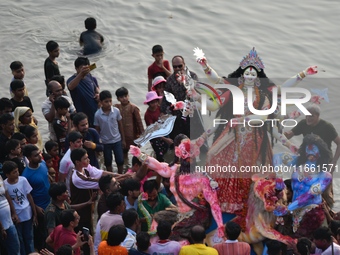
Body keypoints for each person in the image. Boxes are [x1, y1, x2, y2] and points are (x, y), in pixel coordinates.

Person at [194, 47, 318, 225]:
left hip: (254, 138)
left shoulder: (264, 97)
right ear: (242, 74)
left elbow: (280, 92)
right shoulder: (233, 89)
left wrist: (303, 74)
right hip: (233, 133)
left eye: (254, 73)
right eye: (247, 72)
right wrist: (205, 66)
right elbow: (217, 82)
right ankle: (222, 200)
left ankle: (245, 204)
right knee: (214, 156)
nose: (250, 75)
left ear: (258, 76)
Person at [130, 134, 224, 239]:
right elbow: (158, 166)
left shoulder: (202, 177)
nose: (188, 160)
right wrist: (140, 154)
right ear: (179, 155)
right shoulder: (174, 170)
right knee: (157, 218)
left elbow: (213, 202)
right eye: (186, 158)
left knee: (176, 234)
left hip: (197, 215)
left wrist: (220, 225)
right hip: (180, 212)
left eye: (190, 158)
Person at [160, 55, 205, 141]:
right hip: (178, 117)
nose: (177, 68)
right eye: (175, 67)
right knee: (181, 143)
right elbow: (165, 102)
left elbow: (200, 94)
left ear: (184, 64)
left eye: (180, 66)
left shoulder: (193, 76)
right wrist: (169, 114)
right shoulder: (170, 81)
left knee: (198, 140)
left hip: (193, 115)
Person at [3, 161, 37, 255]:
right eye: (14, 172)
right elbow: (9, 201)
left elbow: (29, 196)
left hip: (27, 214)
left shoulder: (23, 180)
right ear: (7, 174)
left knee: (29, 237)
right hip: (17, 216)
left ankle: (31, 253)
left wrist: (34, 213)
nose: (17, 174)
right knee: (20, 239)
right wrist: (13, 213)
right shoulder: (5, 185)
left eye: (17, 171)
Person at [22, 144, 51, 251]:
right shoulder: (26, 175)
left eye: (39, 153)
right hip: (41, 208)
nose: (40, 156)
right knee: (42, 234)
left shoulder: (43, 163)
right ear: (29, 158)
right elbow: (27, 195)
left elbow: (47, 178)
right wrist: (36, 208)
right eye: (36, 155)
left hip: (50, 202)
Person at [94, 90, 125, 173]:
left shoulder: (116, 111)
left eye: (110, 101)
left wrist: (123, 139)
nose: (109, 104)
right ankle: (111, 177)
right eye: (106, 102)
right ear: (101, 102)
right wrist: (98, 143)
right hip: (105, 142)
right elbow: (97, 129)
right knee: (108, 162)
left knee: (120, 160)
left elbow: (120, 125)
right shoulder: (98, 114)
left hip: (117, 140)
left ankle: (121, 175)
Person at [115, 87, 145, 167]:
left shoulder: (133, 108)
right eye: (121, 97)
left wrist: (142, 136)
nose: (124, 98)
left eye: (125, 96)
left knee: (136, 153)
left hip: (133, 136)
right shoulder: (116, 108)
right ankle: (126, 167)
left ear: (128, 96)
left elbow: (139, 123)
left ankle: (139, 167)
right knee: (124, 153)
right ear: (118, 98)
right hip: (122, 136)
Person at [67, 57, 99, 126]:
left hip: (94, 112)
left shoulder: (89, 76)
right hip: (83, 115)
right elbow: (70, 87)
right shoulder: (71, 80)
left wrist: (98, 94)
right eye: (82, 68)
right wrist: (81, 74)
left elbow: (96, 89)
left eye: (87, 67)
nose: (85, 70)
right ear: (76, 69)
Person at [144, 91, 172, 162]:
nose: (155, 104)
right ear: (149, 104)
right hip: (154, 136)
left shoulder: (159, 108)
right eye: (152, 103)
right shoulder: (147, 115)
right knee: (160, 155)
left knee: (166, 149)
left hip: (162, 132)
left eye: (156, 102)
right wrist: (166, 139)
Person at [0, 174, 20, 255]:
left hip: (9, 222)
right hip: (1, 226)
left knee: (15, 249)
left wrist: (14, 213)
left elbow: (7, 194)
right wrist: (1, 228)